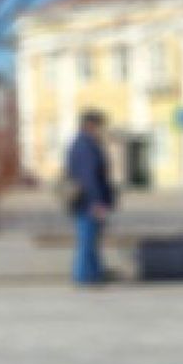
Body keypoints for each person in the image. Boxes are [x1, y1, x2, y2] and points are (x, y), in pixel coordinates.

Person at [64, 110, 116, 286]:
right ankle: (84, 276)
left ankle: (93, 274)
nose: (102, 130)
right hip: (88, 201)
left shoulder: (82, 143)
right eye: (100, 126)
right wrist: (97, 202)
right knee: (87, 240)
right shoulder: (86, 146)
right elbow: (89, 177)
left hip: (85, 200)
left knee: (90, 239)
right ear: (90, 125)